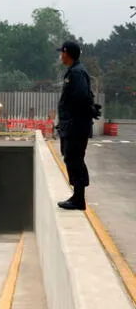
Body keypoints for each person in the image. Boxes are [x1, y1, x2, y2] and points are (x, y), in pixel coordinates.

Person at [55, 41, 100, 210]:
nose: (61, 56)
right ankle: (77, 196)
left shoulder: (77, 73)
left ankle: (79, 199)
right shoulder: (74, 71)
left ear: (67, 53)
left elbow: (81, 97)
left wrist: (75, 117)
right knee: (71, 158)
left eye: (62, 53)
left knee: (74, 159)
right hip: (72, 124)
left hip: (75, 125)